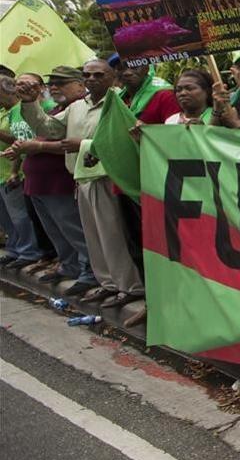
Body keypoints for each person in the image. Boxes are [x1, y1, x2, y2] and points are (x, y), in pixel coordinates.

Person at [17, 60, 146, 318]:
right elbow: (49, 129)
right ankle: (108, 283)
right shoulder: (77, 106)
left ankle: (130, 287)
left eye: (99, 75)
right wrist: (31, 103)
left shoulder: (120, 103)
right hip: (81, 177)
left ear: (112, 77)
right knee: (94, 236)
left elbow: (121, 140)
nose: (92, 79)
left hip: (107, 176)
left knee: (113, 236)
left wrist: (85, 144)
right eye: (87, 75)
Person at [4, 67, 97, 292]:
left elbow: (77, 142)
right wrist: (29, 102)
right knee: (56, 229)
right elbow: (46, 129)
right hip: (38, 180)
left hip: (64, 180)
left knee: (75, 229)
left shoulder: (86, 106)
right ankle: (69, 265)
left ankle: (90, 271)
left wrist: (39, 146)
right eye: (53, 83)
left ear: (79, 85)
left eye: (62, 83)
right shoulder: (62, 108)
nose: (55, 87)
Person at [0, 76, 45, 271]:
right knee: (7, 217)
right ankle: (15, 249)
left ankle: (29, 251)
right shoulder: (5, 112)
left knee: (20, 216)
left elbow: (19, 141)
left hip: (20, 172)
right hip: (6, 172)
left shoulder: (23, 110)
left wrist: (13, 171)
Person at [113, 54, 180, 123]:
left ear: (146, 68)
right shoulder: (117, 99)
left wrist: (148, 129)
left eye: (134, 67)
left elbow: (176, 130)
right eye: (120, 68)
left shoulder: (165, 96)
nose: (127, 73)